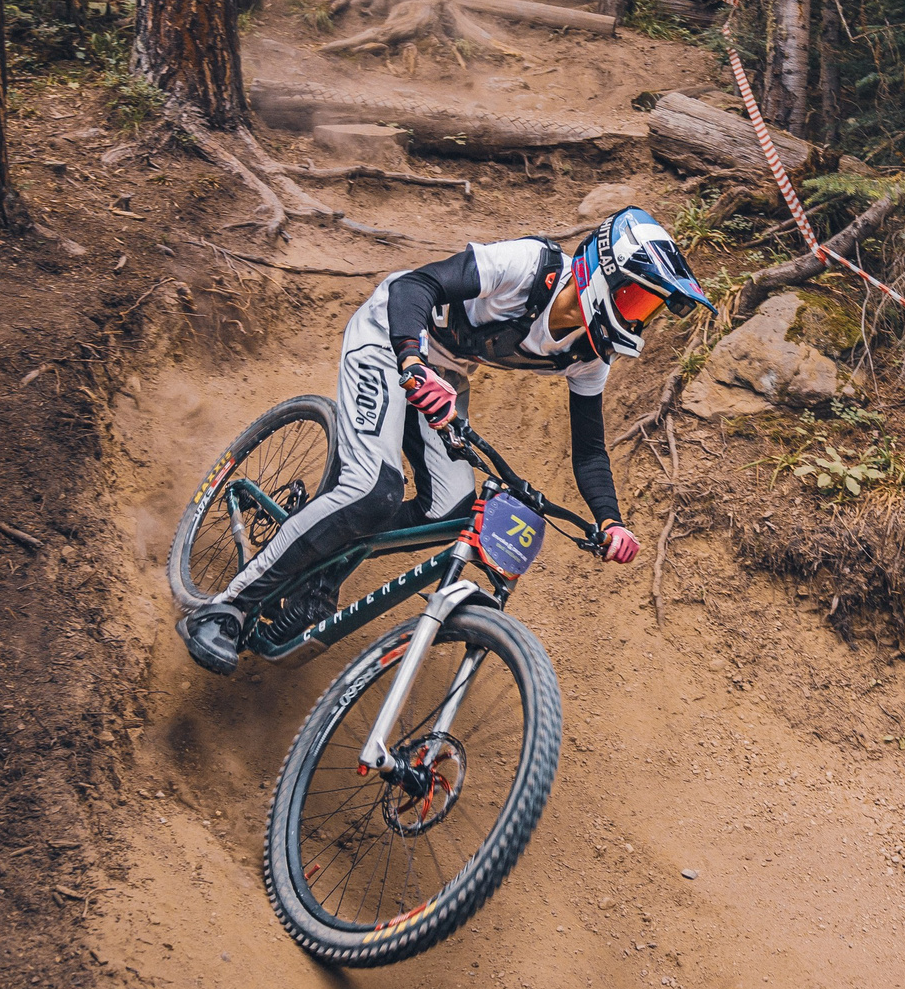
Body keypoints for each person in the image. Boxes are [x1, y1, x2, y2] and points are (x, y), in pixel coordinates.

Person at [178, 207, 711, 675]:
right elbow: (414, 287)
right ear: (602, 274)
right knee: (374, 489)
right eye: (638, 299)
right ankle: (227, 607)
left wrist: (610, 520)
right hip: (391, 338)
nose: (640, 316)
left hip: (444, 376)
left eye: (649, 308)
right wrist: (411, 361)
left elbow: (590, 451)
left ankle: (321, 573)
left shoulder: (589, 355)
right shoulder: (527, 266)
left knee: (452, 508)